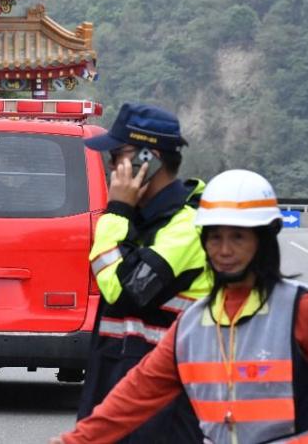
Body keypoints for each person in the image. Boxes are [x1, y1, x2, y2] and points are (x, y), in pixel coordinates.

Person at [54, 170, 308, 444]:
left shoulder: (300, 311)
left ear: (263, 240)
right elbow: (131, 399)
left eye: (238, 237)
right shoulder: (191, 325)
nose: (224, 250)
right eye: (215, 237)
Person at [78, 103, 211, 443]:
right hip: (117, 399)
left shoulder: (190, 228)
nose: (110, 166)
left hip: (163, 409)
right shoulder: (137, 222)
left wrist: (117, 211)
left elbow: (122, 293)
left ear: (146, 160)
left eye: (117, 155)